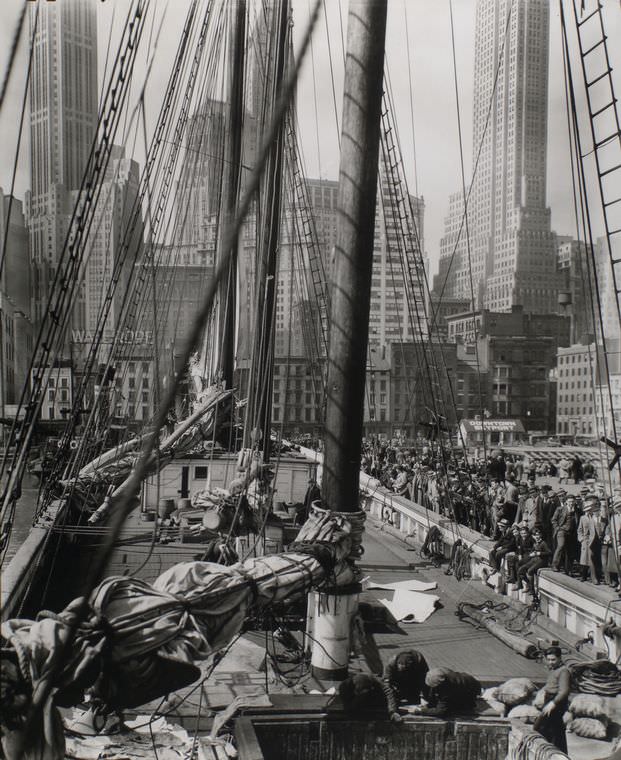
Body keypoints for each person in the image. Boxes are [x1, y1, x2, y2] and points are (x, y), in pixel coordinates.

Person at [533, 646, 570, 753]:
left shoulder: (563, 671)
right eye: (548, 660)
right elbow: (551, 685)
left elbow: (564, 691)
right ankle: (555, 753)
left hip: (556, 702)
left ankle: (555, 754)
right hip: (549, 700)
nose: (551, 662)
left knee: (541, 728)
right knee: (553, 730)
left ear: (559, 658)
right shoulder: (554, 669)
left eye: (553, 659)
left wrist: (553, 703)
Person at [413, 668, 481, 717]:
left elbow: (441, 711)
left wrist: (421, 711)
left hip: (471, 690)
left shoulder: (448, 687)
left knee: (455, 709)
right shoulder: (441, 675)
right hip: (467, 682)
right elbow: (434, 693)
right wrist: (428, 705)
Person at [382, 649, 429, 714]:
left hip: (414, 679)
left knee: (414, 698)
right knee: (394, 697)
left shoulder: (419, 660)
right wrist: (392, 710)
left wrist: (425, 699)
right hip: (397, 681)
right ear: (397, 664)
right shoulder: (390, 664)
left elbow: (425, 680)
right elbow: (386, 685)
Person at [578, 495, 605, 584]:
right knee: (587, 559)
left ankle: (596, 576)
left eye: (590, 509)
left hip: (596, 541)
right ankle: (591, 578)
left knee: (595, 559)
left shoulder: (596, 517)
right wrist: (581, 539)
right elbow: (580, 530)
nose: (589, 511)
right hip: (587, 541)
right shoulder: (583, 518)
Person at [516, 527, 551, 594]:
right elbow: (533, 550)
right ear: (532, 536)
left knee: (530, 571)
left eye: (538, 535)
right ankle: (529, 584)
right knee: (520, 570)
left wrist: (540, 553)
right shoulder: (535, 543)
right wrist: (532, 553)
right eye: (535, 535)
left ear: (541, 535)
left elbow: (549, 553)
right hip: (534, 559)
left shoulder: (543, 543)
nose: (537, 537)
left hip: (542, 561)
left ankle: (532, 590)